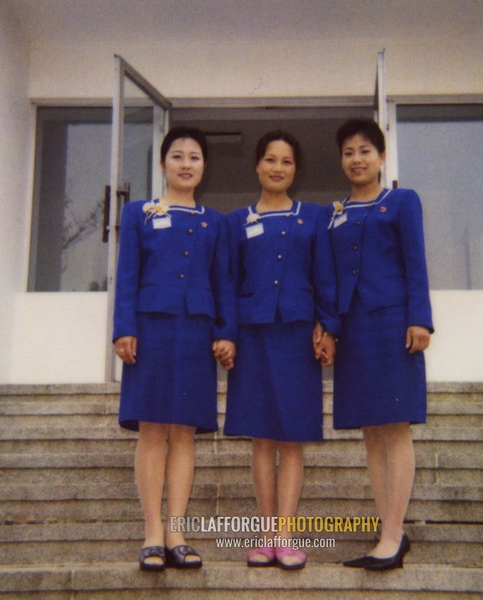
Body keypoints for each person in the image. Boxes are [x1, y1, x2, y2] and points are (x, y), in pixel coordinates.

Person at [113, 126, 236, 572]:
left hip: (196, 332)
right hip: (149, 328)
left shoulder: (215, 221)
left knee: (183, 432)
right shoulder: (139, 213)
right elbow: (127, 273)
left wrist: (225, 332)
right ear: (163, 164)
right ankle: (151, 534)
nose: (186, 164)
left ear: (204, 166)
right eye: (178, 156)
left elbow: (223, 279)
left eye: (195, 157)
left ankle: (176, 533)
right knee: (152, 430)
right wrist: (124, 327)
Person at [224, 130, 339, 570]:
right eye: (270, 159)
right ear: (257, 165)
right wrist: (228, 334)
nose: (278, 168)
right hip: (252, 338)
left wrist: (328, 327)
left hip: (297, 338)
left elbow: (326, 277)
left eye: (286, 162)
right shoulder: (236, 222)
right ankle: (263, 534)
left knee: (292, 438)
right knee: (261, 437)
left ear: (296, 169)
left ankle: (285, 535)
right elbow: (228, 283)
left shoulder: (314, 217)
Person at [323, 118, 433, 571]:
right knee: (371, 431)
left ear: (382, 157)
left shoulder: (402, 201)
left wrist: (419, 319)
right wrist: (329, 327)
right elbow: (329, 275)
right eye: (348, 152)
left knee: (395, 425)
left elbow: (416, 263)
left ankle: (393, 533)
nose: (356, 159)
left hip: (392, 325)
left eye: (365, 150)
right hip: (353, 329)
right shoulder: (336, 213)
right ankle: (387, 530)